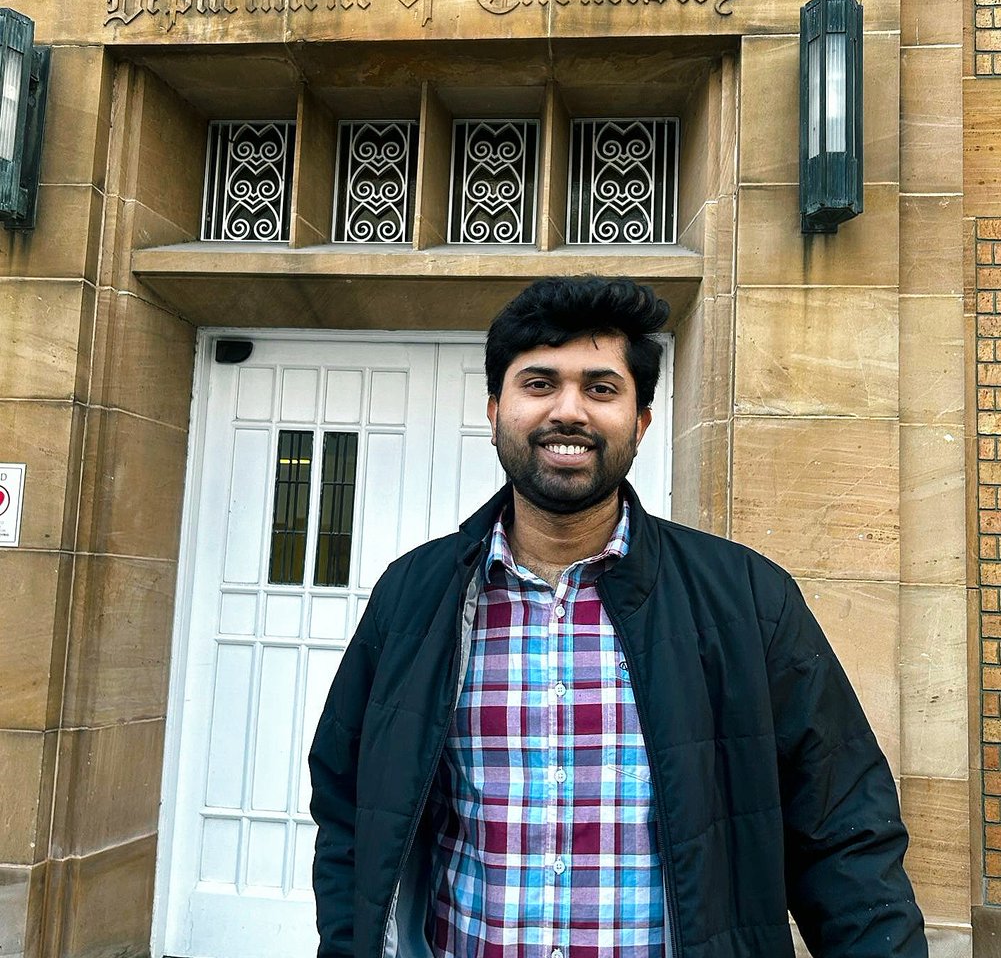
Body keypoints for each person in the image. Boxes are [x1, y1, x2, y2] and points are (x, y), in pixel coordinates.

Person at [309, 275, 927, 958]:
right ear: (494, 409)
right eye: (538, 384)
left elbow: (843, 832)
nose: (567, 410)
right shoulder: (412, 596)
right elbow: (350, 810)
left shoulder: (746, 598)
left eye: (600, 388)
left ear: (640, 421)